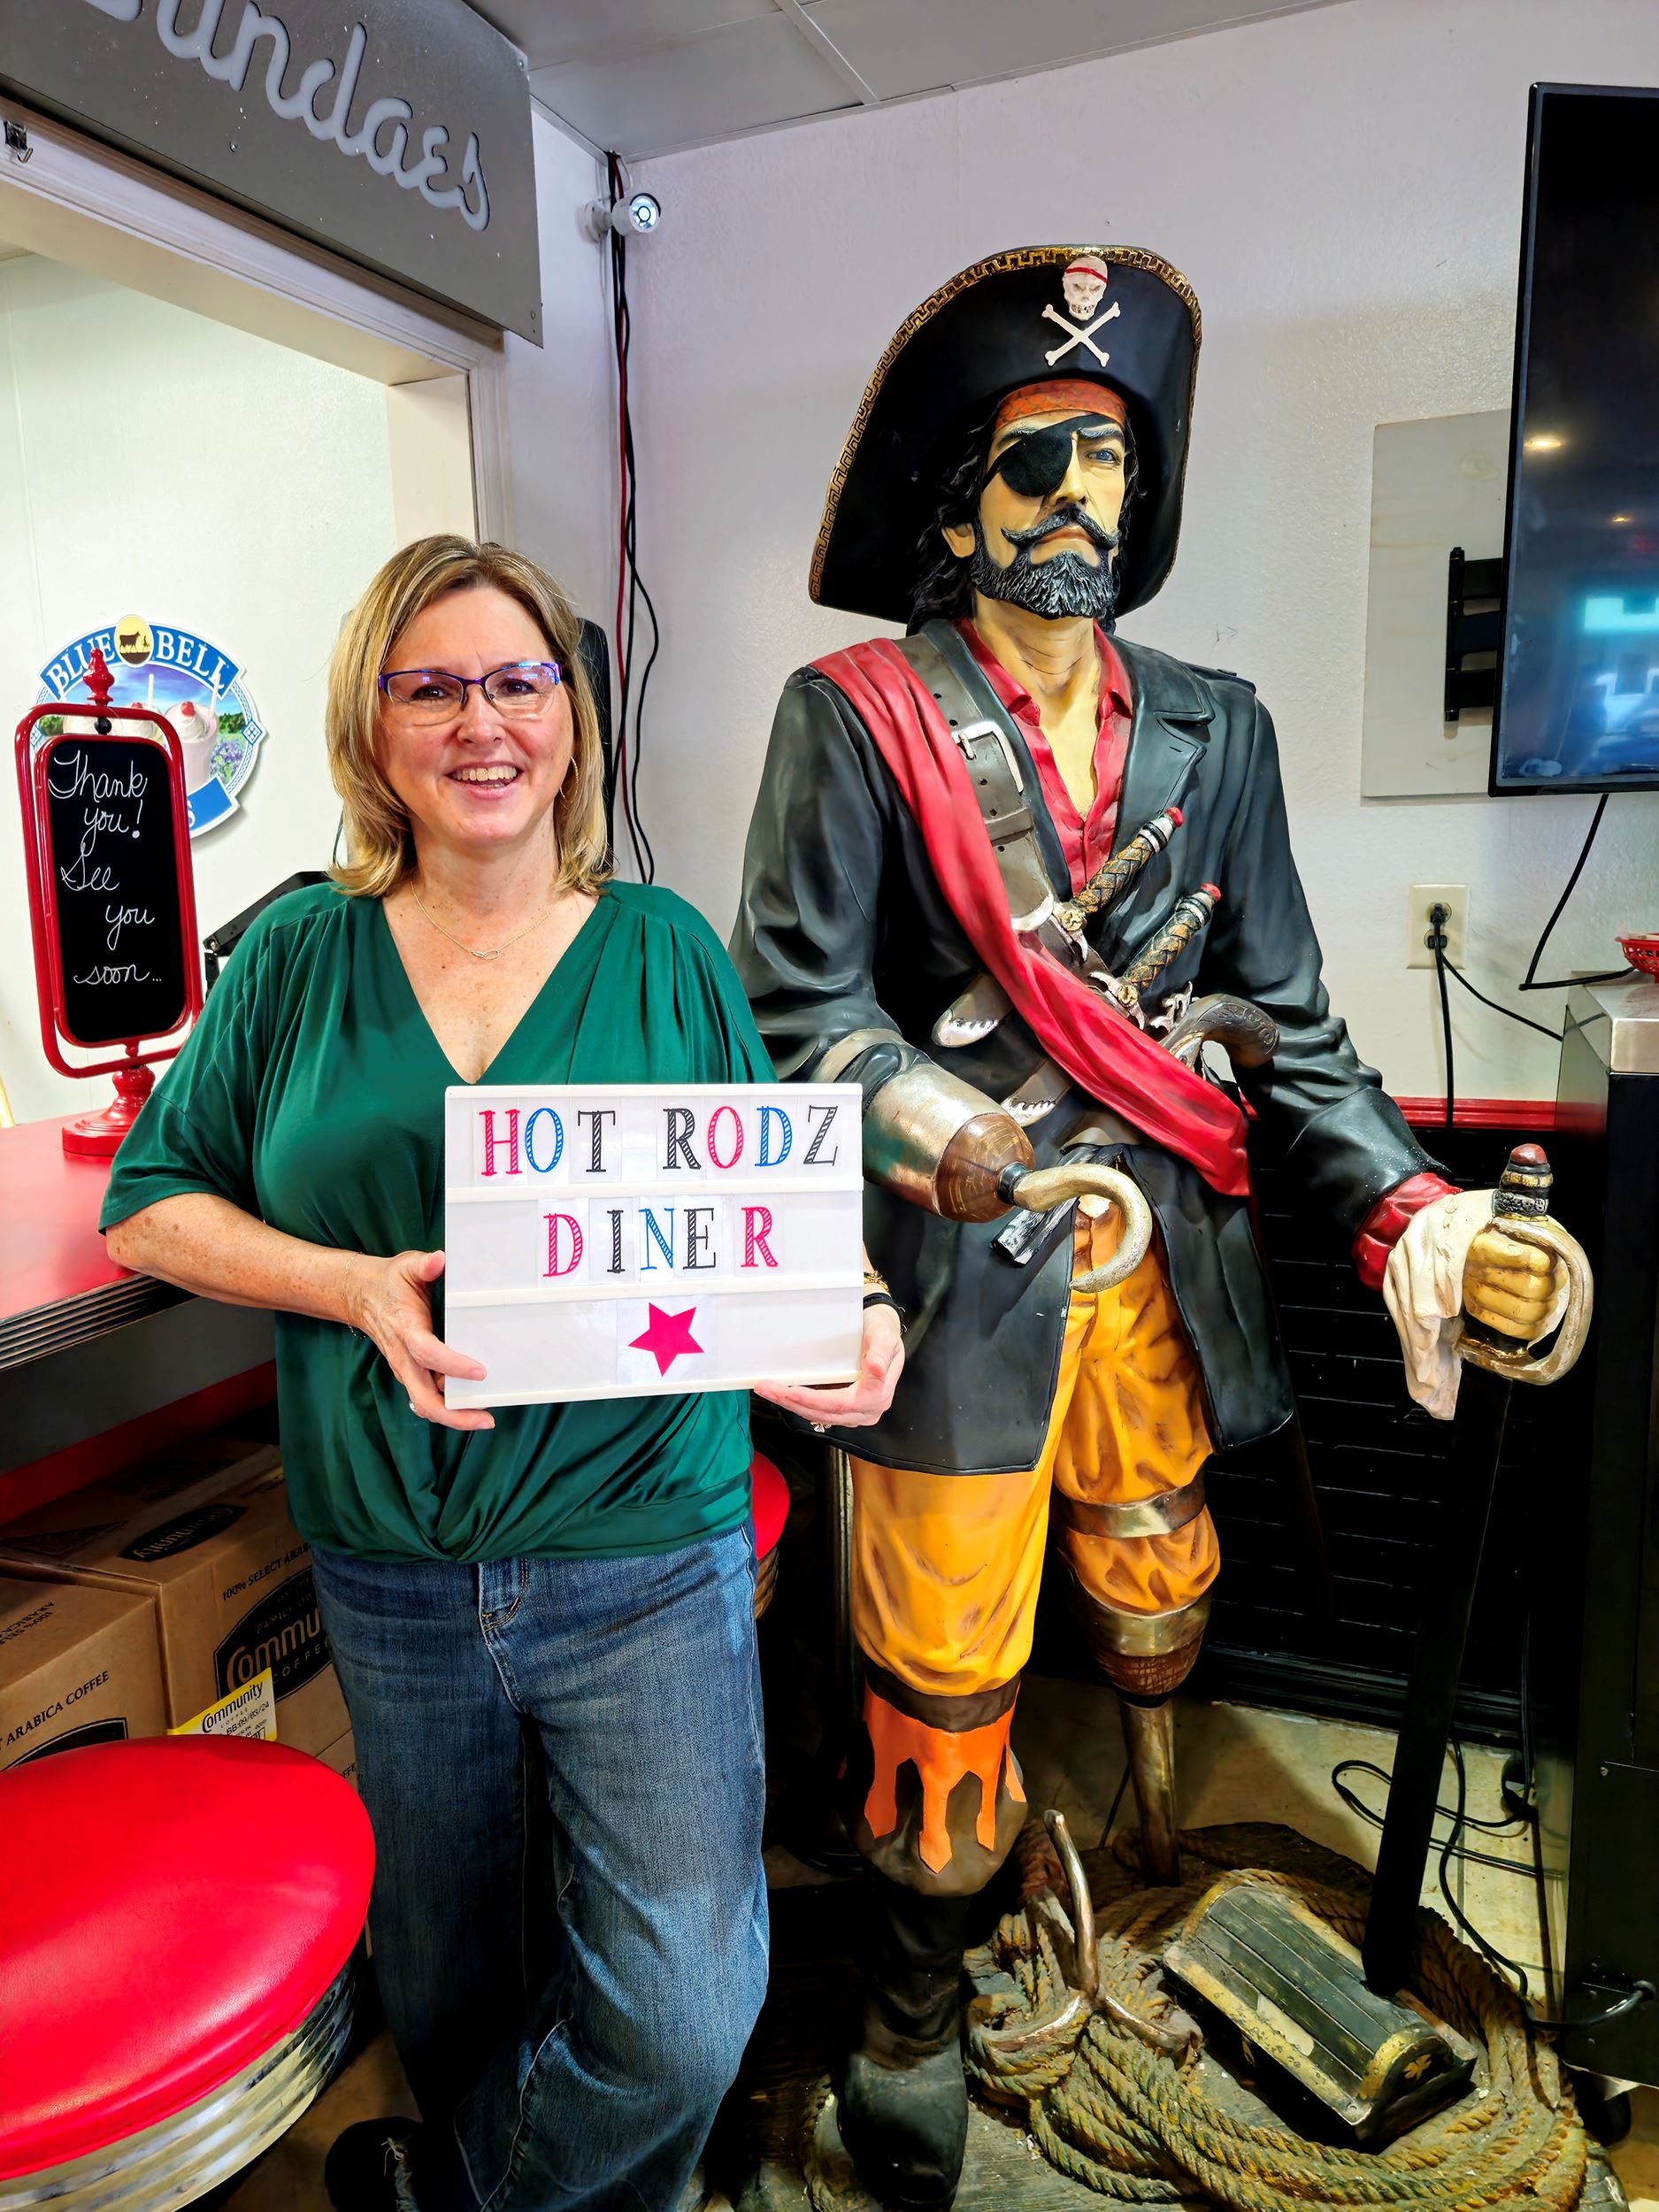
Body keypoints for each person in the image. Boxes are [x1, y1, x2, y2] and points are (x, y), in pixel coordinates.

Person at [729, 246, 1566, 2210]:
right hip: (956, 1272)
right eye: (1039, 464)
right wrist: (954, 1137)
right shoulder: (853, 717)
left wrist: (1418, 1213)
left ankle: (1152, 1857)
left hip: (1162, 1259)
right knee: (940, 1663)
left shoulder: (1217, 728)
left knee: (1157, 1578)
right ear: (956, 506)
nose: (1080, 504)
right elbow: (797, 1010)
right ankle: (912, 1999)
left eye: (1110, 463)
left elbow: (1295, 1021)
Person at [100, 534, 902, 2212]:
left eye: (520, 682)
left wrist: (857, 1310)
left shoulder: (663, 949)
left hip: (642, 1547)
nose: (484, 722)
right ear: (373, 726)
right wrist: (346, 1286)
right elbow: (152, 1202)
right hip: (389, 1559)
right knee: (452, 1977)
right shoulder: (295, 959)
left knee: (684, 2012)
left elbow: (767, 1209)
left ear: (571, 719)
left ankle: (472, 2194)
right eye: (434, 687)